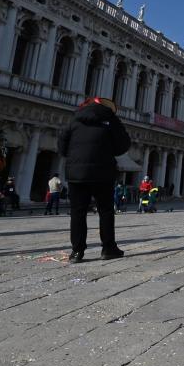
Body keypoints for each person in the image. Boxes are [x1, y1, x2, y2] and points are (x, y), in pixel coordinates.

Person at [58, 97, 131, 262]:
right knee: (105, 211)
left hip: (77, 174)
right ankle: (108, 249)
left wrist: (76, 159)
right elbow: (123, 145)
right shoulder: (111, 120)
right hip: (103, 172)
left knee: (78, 212)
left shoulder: (74, 120)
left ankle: (77, 252)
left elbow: (62, 147)